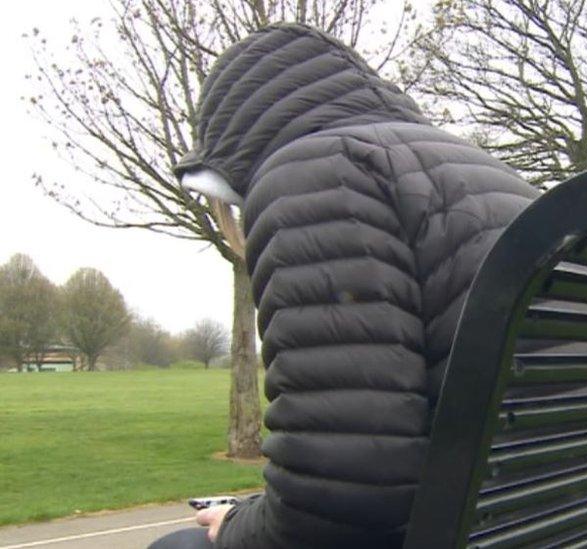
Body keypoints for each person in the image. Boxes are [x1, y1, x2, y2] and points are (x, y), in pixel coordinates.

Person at [151, 22, 540, 548]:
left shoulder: (314, 172)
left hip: (483, 532)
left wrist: (235, 527)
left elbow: (345, 489)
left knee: (182, 546)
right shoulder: (497, 180)